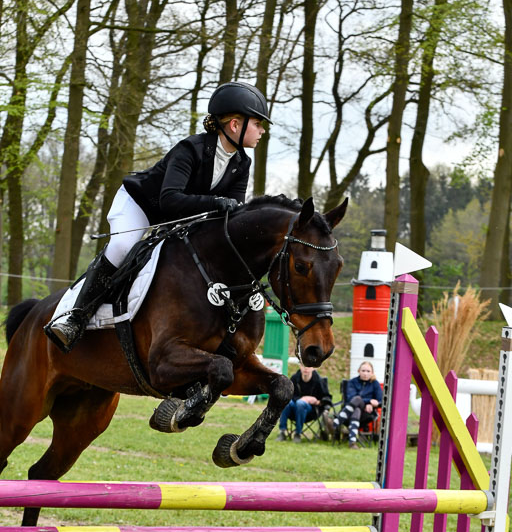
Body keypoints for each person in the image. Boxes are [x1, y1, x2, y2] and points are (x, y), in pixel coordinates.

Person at [45, 81, 271, 352]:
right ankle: (75, 317)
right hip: (141, 204)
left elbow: (231, 210)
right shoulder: (190, 149)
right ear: (235, 125)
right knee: (121, 246)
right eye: (258, 123)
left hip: (180, 218)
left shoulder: (241, 163)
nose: (262, 130)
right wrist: (216, 202)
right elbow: (170, 199)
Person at [329, 361, 382, 449]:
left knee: (357, 401)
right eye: (363, 370)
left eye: (368, 371)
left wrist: (372, 405)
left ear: (372, 373)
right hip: (351, 412)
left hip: (366, 414)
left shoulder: (375, 384)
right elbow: (351, 399)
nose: (365, 373)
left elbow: (380, 401)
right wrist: (369, 402)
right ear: (358, 371)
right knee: (356, 406)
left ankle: (339, 420)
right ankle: (352, 442)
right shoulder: (352, 382)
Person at [276, 366, 332, 443]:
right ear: (300, 366)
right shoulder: (295, 378)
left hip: (311, 411)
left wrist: (317, 401)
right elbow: (289, 394)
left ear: (313, 368)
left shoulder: (319, 380)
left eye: (309, 366)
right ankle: (282, 432)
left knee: (301, 404)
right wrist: (303, 398)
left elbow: (327, 398)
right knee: (287, 402)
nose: (306, 368)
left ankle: (298, 434)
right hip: (293, 410)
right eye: (304, 365)